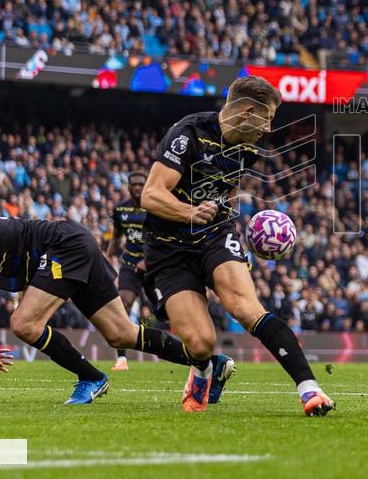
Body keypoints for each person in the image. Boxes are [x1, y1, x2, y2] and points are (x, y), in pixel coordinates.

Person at [141, 75, 334, 416]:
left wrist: (234, 226)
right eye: (267, 118)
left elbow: (228, 188)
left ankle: (310, 390)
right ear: (247, 112)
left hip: (214, 236)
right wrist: (190, 211)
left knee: (247, 308)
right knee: (200, 343)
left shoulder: (248, 148)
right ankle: (203, 369)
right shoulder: (187, 135)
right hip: (169, 247)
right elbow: (151, 195)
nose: (270, 127)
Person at [0, 198, 215, 404]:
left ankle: (91, 377)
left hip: (62, 246)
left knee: (23, 323)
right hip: (70, 244)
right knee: (121, 333)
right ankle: (208, 362)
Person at [107, 170, 148, 371]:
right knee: (123, 303)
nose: (138, 188)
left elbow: (165, 239)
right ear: (129, 187)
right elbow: (116, 236)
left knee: (162, 311)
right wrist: (106, 257)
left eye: (142, 184)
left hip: (155, 266)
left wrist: (148, 259)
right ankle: (122, 358)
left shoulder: (156, 208)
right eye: (135, 185)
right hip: (130, 264)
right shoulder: (121, 209)